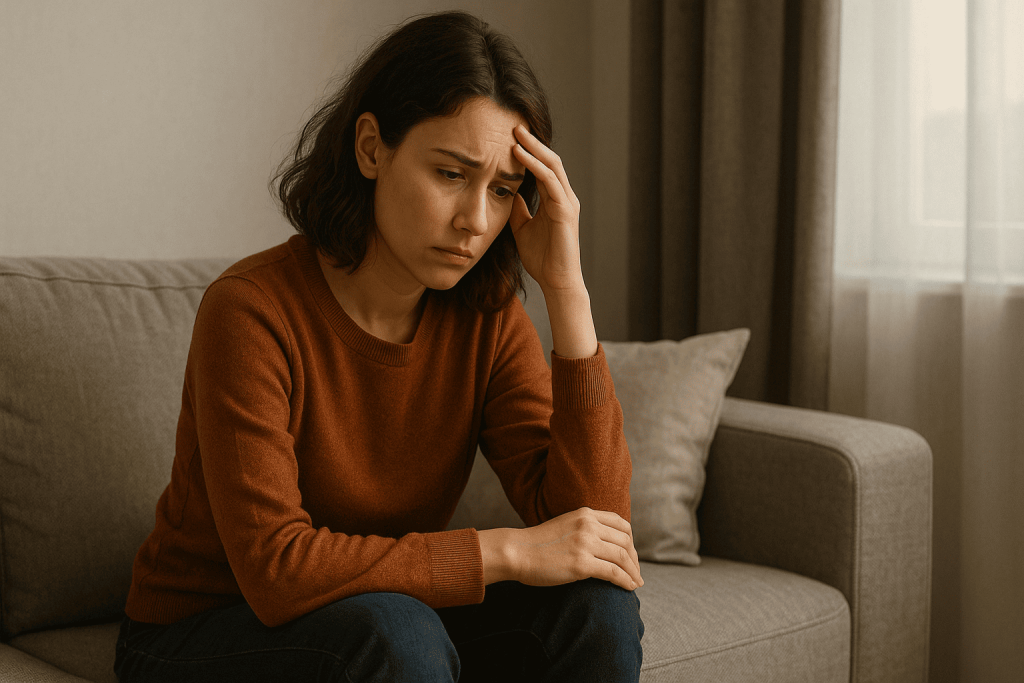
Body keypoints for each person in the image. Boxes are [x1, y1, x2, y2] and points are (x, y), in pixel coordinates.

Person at [114, 10, 644, 683]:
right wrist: (503, 551)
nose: (475, 220)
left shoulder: (485, 319)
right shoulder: (251, 310)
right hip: (204, 628)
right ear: (371, 148)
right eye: (450, 174)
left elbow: (594, 534)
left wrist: (566, 288)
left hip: (382, 614)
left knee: (596, 608)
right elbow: (275, 569)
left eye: (503, 190)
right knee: (396, 632)